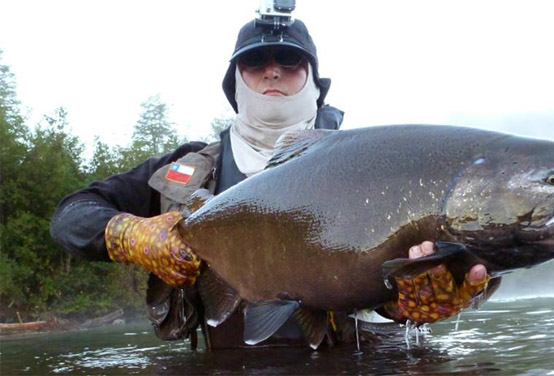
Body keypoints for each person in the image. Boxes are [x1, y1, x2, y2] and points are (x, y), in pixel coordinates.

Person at [51, 18, 499, 350]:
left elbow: (404, 273)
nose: (272, 71)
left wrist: (406, 302)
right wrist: (129, 235)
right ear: (235, 82)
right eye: (253, 61)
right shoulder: (181, 170)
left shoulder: (366, 167)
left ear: (312, 81)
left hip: (348, 360)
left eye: (290, 60)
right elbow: (71, 217)